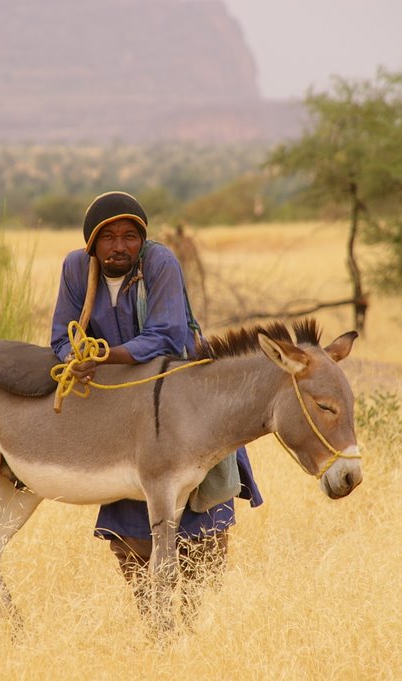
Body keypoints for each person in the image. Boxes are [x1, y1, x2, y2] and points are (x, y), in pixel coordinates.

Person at [49, 190, 262, 616]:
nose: (120, 246)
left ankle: (194, 620)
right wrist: (74, 359)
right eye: (107, 238)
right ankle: (155, 623)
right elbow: (60, 336)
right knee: (133, 529)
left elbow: (167, 336)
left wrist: (105, 356)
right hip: (123, 412)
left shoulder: (159, 262)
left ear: (142, 239)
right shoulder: (75, 267)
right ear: (91, 242)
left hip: (180, 401)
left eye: (130, 236)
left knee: (202, 526)